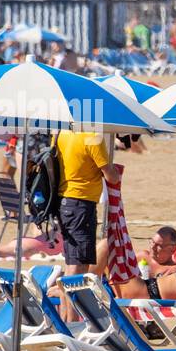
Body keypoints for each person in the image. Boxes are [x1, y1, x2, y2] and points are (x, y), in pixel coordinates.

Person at [56, 130, 120, 319]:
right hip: (81, 203)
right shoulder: (92, 136)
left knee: (71, 264)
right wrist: (113, 168)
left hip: (65, 201)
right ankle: (72, 320)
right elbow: (111, 176)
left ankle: (68, 318)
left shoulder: (63, 132)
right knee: (78, 267)